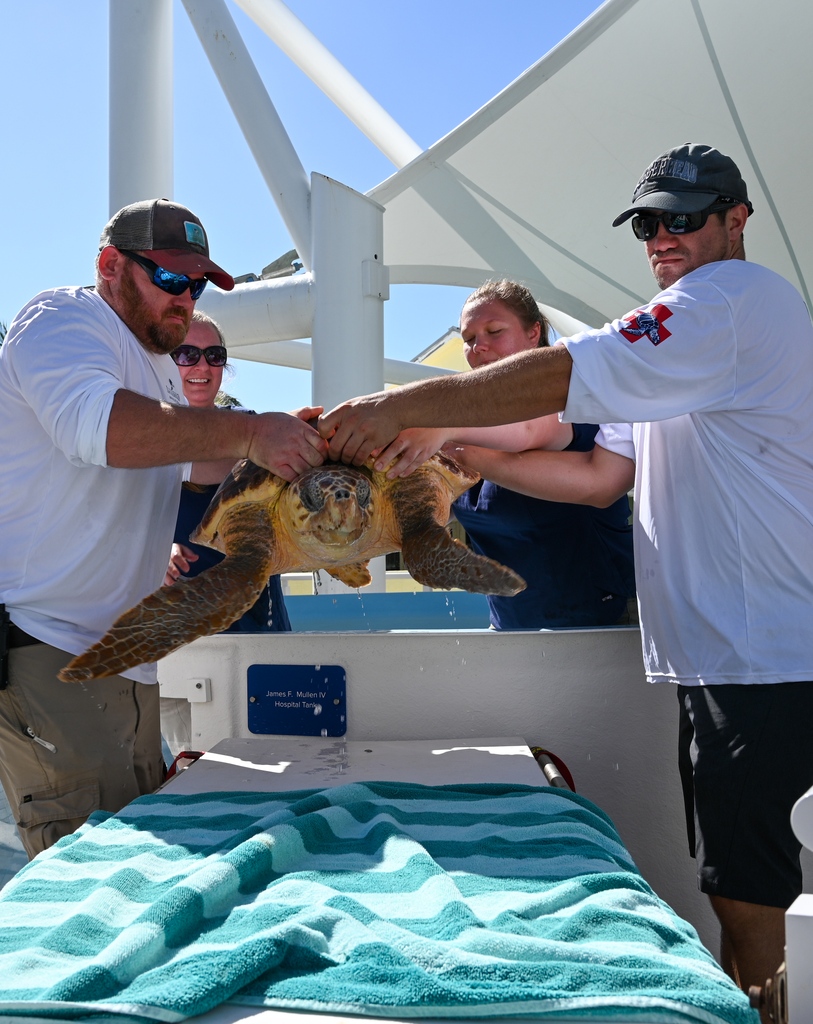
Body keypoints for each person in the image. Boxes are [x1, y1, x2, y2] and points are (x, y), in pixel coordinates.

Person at [318, 144, 813, 999]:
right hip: (722, 655)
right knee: (734, 869)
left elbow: (561, 377)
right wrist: (462, 449)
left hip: (768, 652)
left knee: (752, 880)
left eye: (684, 217)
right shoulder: (682, 342)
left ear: (737, 221)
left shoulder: (727, 300)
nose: (662, 236)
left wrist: (396, 406)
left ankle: (762, 1013)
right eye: (649, 222)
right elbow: (597, 481)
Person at [0, 198, 327, 859]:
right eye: (171, 279)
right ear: (109, 266)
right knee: (87, 883)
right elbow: (104, 428)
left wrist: (298, 435)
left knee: (135, 870)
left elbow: (196, 459)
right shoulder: (62, 319)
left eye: (198, 284)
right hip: (45, 647)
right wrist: (251, 430)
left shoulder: (154, 366)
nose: (185, 299)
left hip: (123, 662)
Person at [380, 280, 635, 629]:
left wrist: (440, 426)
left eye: (494, 331)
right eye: (468, 340)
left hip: (607, 629)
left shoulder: (570, 399)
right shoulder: (454, 439)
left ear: (535, 333)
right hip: (510, 634)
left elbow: (528, 427)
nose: (478, 347)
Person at [160, 311, 292, 757]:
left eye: (214, 355)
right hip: (178, 643)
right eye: (186, 353)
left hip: (260, 629)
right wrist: (150, 552)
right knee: (193, 772)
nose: (201, 367)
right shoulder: (139, 437)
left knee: (280, 763)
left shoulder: (259, 430)